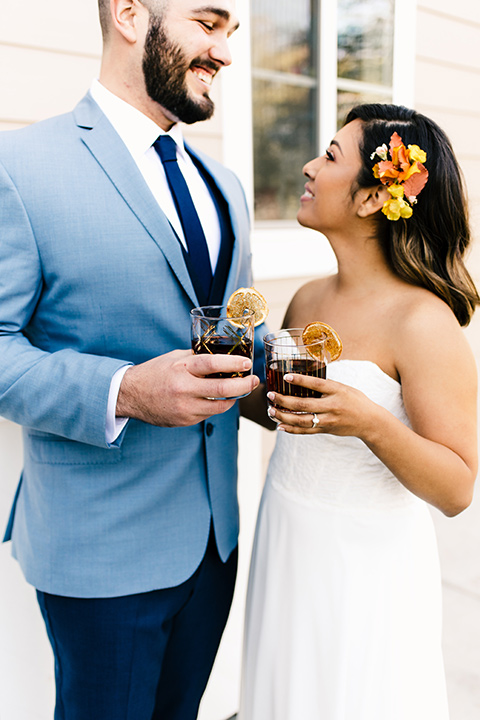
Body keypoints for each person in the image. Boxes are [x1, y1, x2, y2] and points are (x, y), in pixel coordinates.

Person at [0, 1, 266, 718]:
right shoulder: (19, 167)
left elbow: (234, 330)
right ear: (127, 14)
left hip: (214, 547)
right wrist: (123, 390)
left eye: (231, 34)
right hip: (100, 554)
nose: (226, 53)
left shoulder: (226, 188)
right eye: (208, 24)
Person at [238, 104, 479, 719]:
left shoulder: (423, 322)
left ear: (375, 198)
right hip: (288, 532)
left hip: (366, 565)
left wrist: (368, 420)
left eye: (330, 157)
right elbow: (286, 414)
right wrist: (228, 382)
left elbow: (455, 487)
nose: (309, 166)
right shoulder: (308, 298)